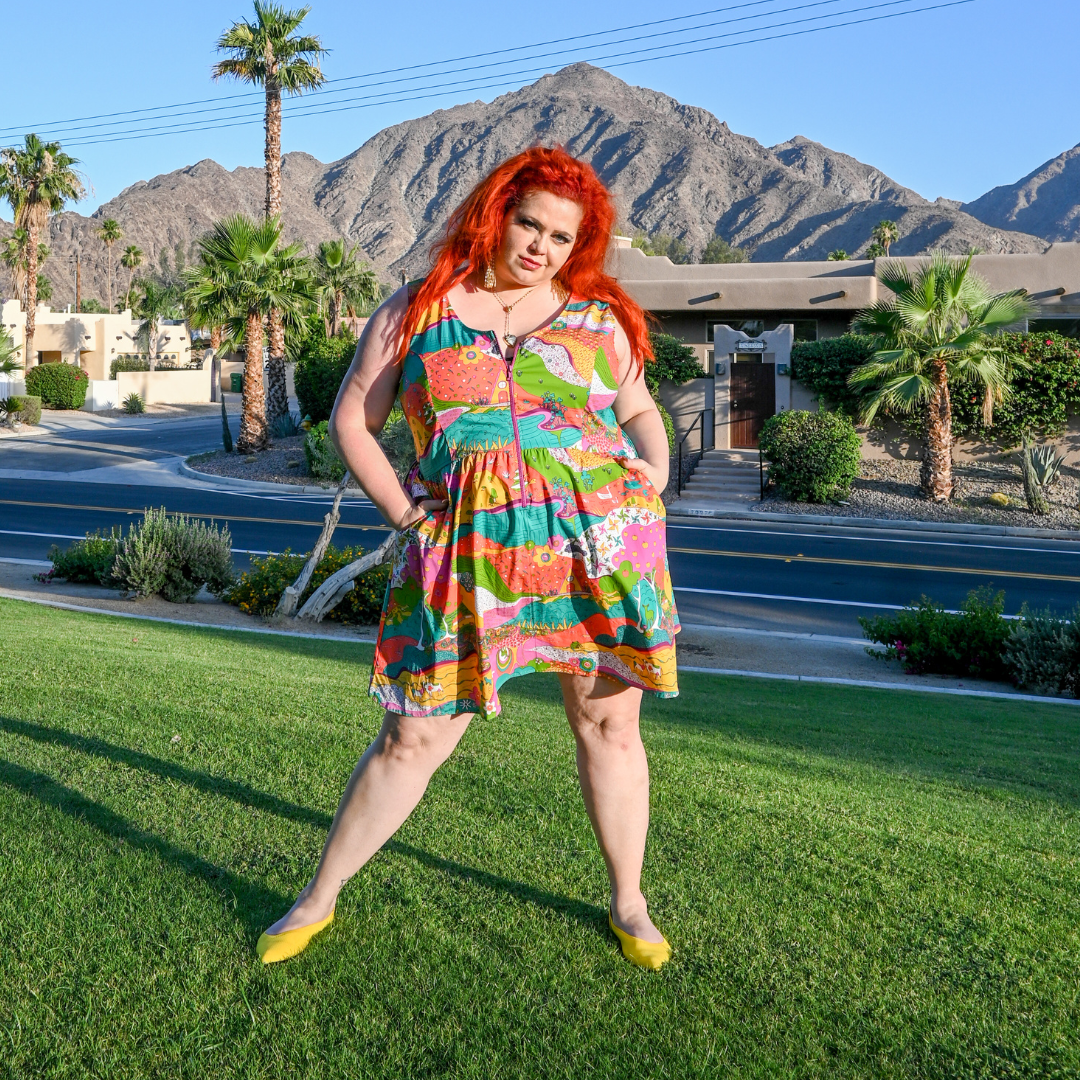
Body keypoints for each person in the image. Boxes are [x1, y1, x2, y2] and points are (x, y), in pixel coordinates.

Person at [257, 146, 680, 970]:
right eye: (530, 222)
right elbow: (353, 421)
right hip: (464, 554)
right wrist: (408, 515)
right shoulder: (416, 310)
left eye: (563, 236)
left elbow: (638, 408)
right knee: (411, 736)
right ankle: (318, 898)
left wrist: (654, 476)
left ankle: (629, 901)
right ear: (496, 211)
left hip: (597, 550)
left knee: (607, 723)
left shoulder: (599, 317)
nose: (541, 247)